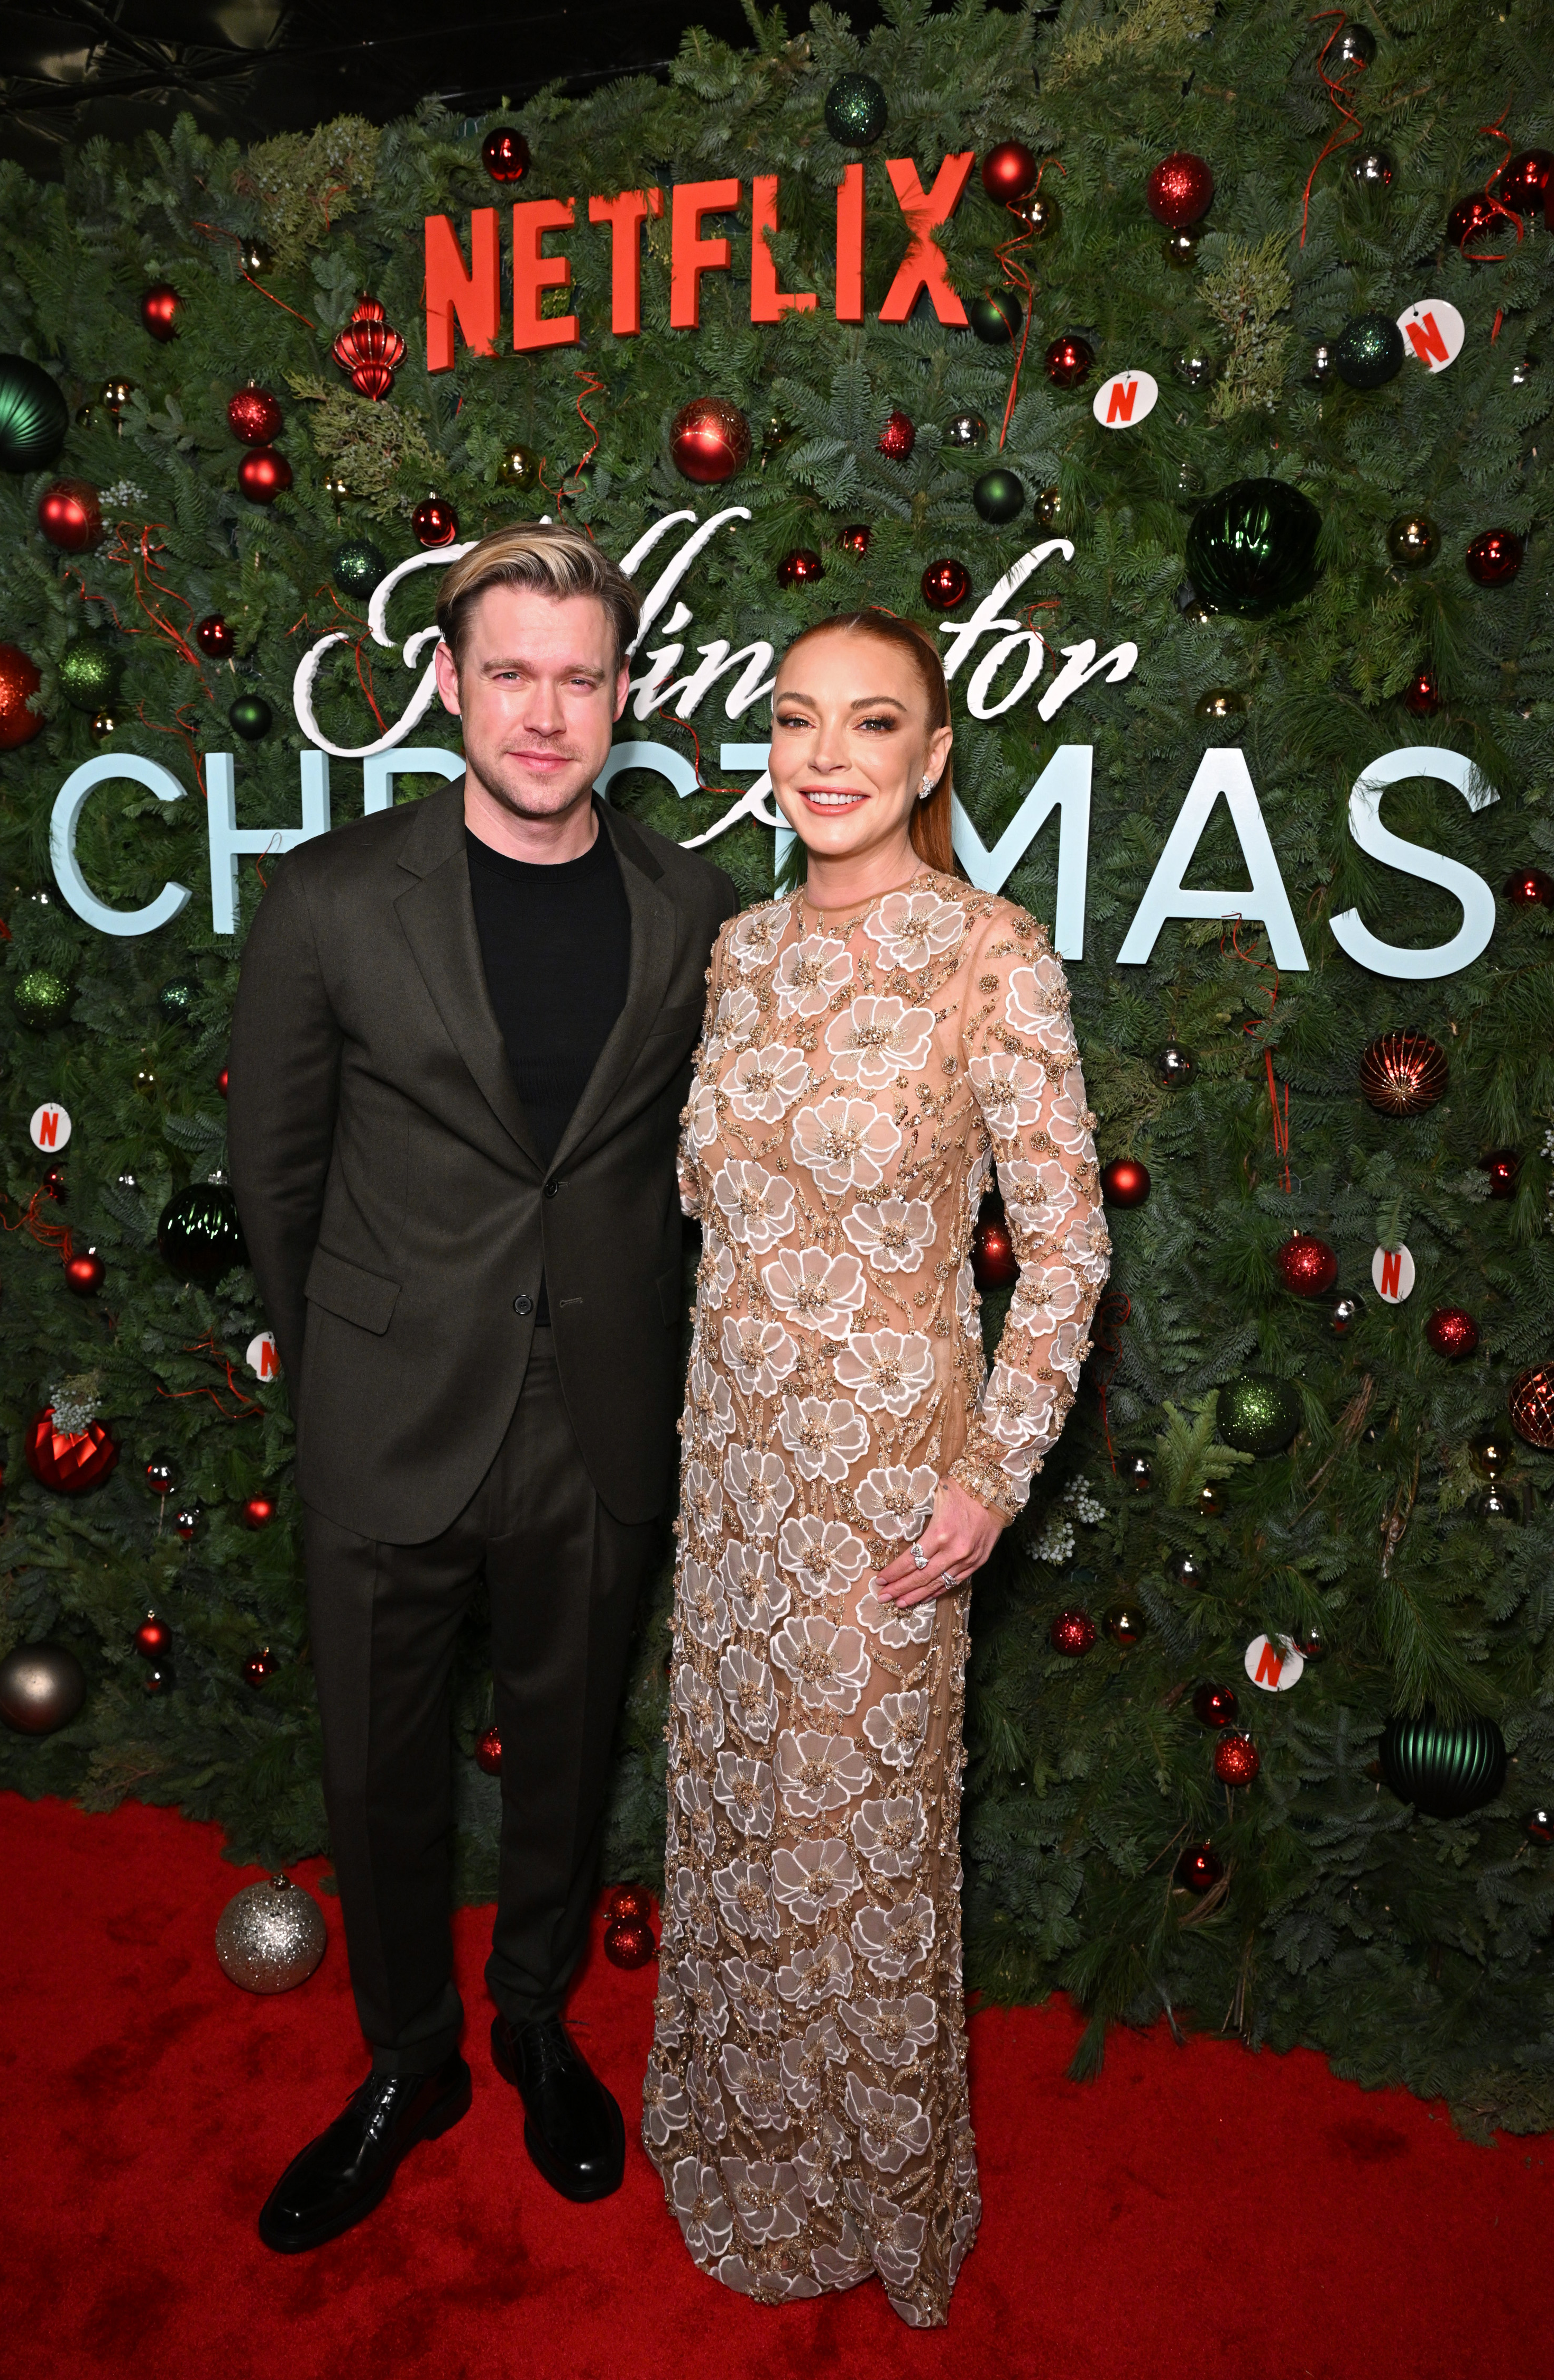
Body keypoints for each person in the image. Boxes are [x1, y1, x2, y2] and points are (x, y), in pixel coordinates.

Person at [227, 522, 735, 2253]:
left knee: (565, 1749)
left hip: (596, 1409)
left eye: (578, 678)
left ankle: (531, 2018)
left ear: (621, 694)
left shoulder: (693, 909)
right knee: (377, 1771)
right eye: (509, 671)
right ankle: (409, 2056)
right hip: (387, 1406)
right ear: (447, 680)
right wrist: (339, 1372)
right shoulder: (330, 896)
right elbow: (275, 1172)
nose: (543, 711)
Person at [642, 609, 1110, 2327]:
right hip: (732, 1468)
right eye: (796, 718)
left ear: (932, 757)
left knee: (860, 1849)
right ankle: (745, 2144)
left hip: (888, 1490)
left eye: (871, 722)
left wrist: (990, 1474)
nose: (826, 754)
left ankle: (876, 2191)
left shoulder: (991, 952)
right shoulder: (741, 951)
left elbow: (1067, 1252)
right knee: (741, 1817)